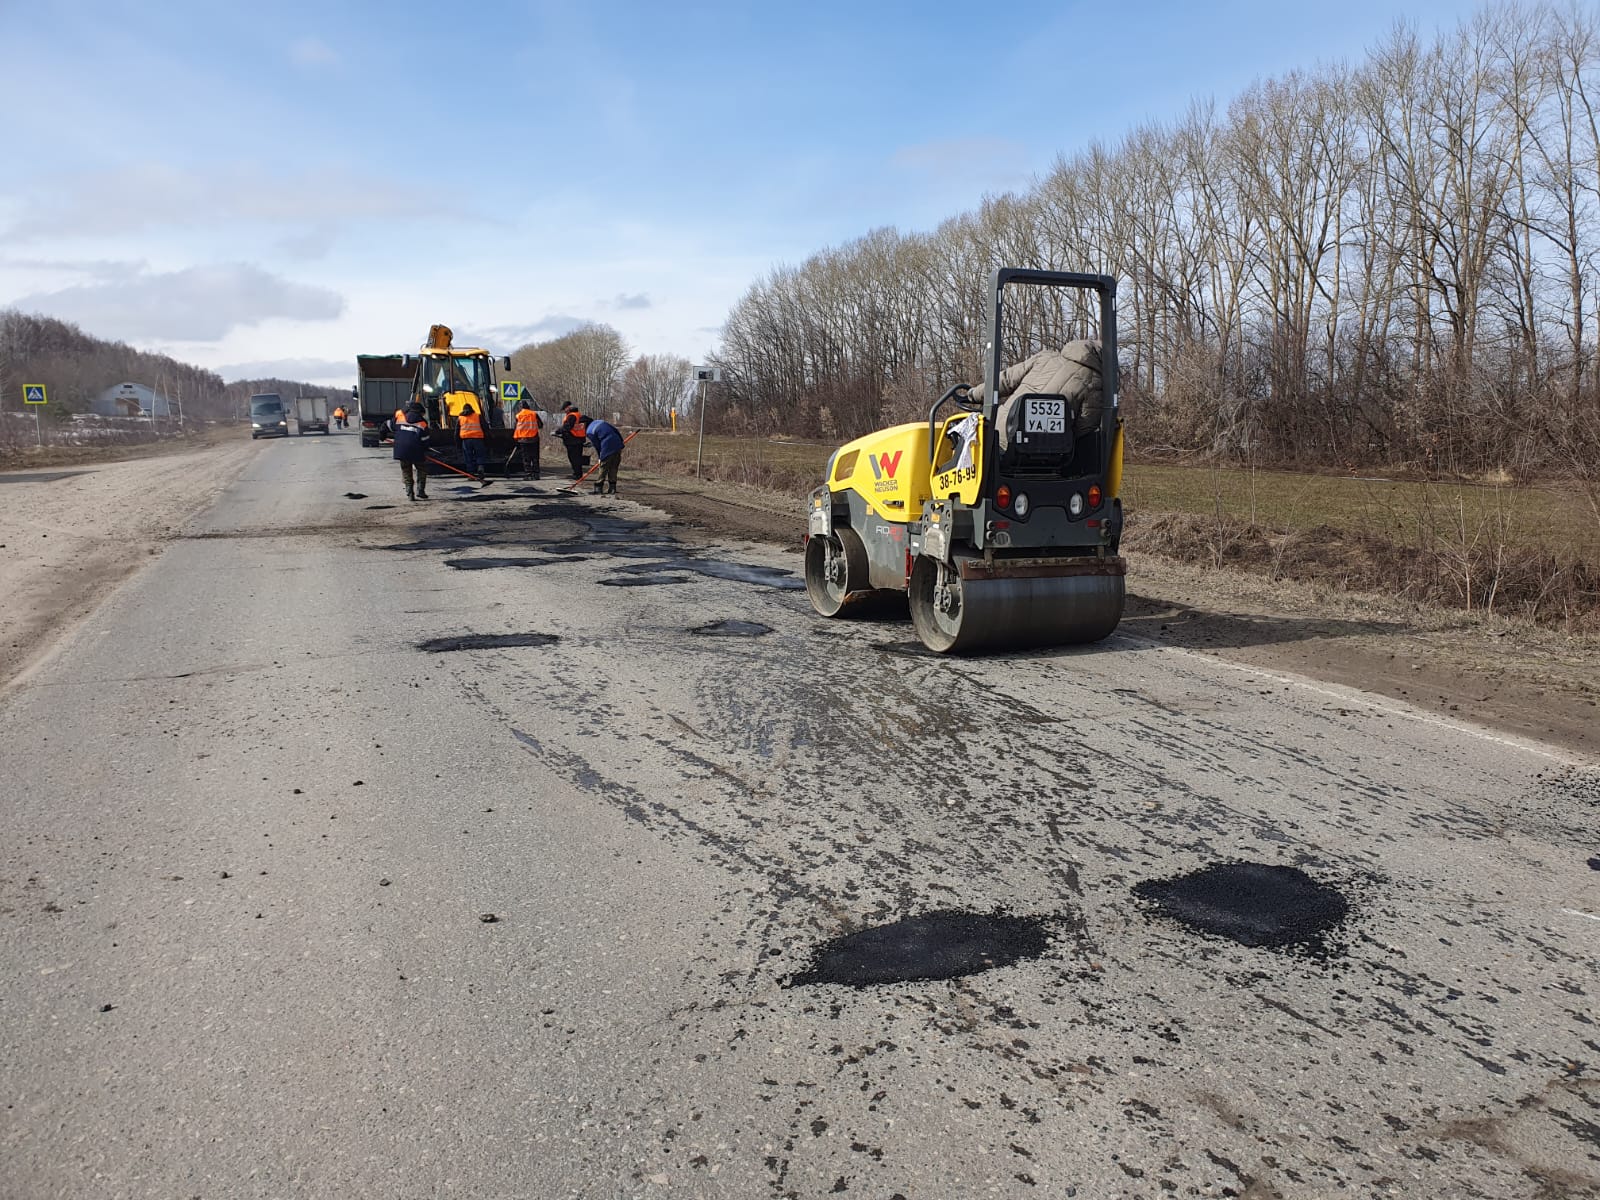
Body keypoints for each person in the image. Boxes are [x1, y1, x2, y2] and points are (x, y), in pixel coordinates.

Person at [967, 338, 1103, 450]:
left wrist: (973, 394)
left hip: (1000, 434)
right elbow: (1084, 426)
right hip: (1049, 452)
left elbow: (1005, 380)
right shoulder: (1095, 383)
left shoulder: (1045, 357)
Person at [386, 402, 431, 501]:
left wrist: (382, 435)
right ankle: (420, 491)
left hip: (401, 450)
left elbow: (387, 424)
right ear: (420, 412)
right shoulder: (423, 423)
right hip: (416, 450)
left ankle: (409, 492)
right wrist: (425, 449)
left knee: (406, 470)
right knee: (422, 470)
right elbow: (425, 439)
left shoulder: (400, 419)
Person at [586, 416, 624, 495]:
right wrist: (621, 442)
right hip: (617, 444)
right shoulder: (600, 422)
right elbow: (615, 430)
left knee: (603, 466)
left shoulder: (589, 431)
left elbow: (597, 445)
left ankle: (598, 488)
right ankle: (612, 488)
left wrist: (600, 457)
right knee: (614, 466)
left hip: (606, 446)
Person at [511, 402, 542, 479]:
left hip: (523, 440)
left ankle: (528, 474)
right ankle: (536, 474)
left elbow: (515, 427)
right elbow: (540, 425)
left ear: (521, 407)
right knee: (535, 457)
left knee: (526, 457)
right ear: (528, 406)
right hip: (534, 438)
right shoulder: (534, 414)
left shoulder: (518, 415)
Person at [558, 403, 589, 480]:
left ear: (568, 408)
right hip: (579, 439)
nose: (565, 411)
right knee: (577, 457)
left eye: (565, 409)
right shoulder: (578, 415)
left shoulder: (572, 416)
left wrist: (557, 431)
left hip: (573, 440)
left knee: (574, 458)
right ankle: (578, 473)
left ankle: (577, 474)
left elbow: (567, 427)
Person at [458, 402, 486, 481]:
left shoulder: (460, 418)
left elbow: (457, 431)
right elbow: (485, 427)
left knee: (468, 456)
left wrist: (457, 443)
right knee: (479, 454)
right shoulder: (478, 416)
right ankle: (480, 467)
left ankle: (471, 474)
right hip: (478, 439)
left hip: (466, 440)